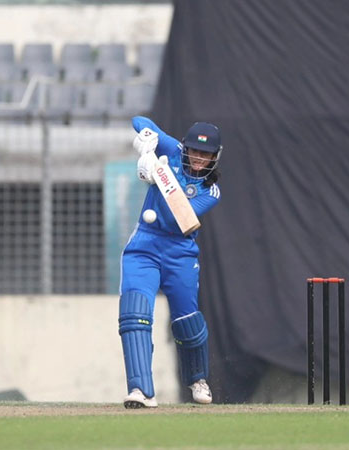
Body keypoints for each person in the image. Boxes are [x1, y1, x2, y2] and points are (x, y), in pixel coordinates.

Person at [118, 115, 223, 408]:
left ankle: (197, 379)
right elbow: (138, 120)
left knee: (187, 322)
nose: (198, 158)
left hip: (180, 252)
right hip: (144, 246)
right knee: (134, 315)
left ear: (214, 157)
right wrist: (148, 143)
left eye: (205, 154)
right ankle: (140, 390)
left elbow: (180, 215)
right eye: (195, 151)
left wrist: (158, 174)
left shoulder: (211, 191)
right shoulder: (174, 150)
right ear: (186, 147)